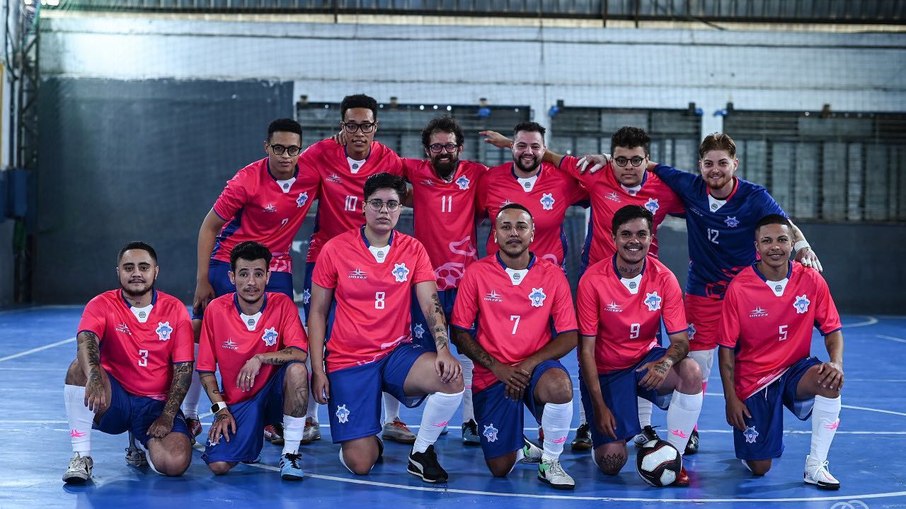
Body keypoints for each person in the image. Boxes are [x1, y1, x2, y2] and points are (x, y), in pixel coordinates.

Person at [579, 132, 823, 455]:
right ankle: (687, 433)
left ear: (735, 164)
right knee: (696, 362)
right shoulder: (690, 186)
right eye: (709, 164)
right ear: (700, 166)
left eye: (723, 163)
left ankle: (755, 420)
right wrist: (608, 161)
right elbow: (644, 165)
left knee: (749, 358)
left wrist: (803, 246)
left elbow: (784, 223)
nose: (715, 170)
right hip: (702, 290)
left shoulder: (754, 196)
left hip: (746, 293)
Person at [481, 126, 682, 450]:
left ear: (647, 160)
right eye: (620, 160)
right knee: (594, 351)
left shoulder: (664, 190)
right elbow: (555, 159)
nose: (628, 167)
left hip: (645, 283)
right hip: (598, 283)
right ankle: (588, 423)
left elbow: (700, 195)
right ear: (612, 160)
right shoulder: (596, 176)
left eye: (636, 161)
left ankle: (646, 427)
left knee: (645, 348)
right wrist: (511, 145)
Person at [308, 173, 464, 483]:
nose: (384, 210)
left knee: (451, 378)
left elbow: (431, 303)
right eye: (377, 203)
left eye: (392, 204)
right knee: (361, 464)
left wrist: (444, 349)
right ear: (363, 207)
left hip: (395, 353)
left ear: (400, 209)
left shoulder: (413, 249)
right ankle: (366, 433)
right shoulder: (335, 249)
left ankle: (421, 452)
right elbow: (317, 312)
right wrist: (318, 368)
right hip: (348, 359)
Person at [187, 118, 318, 445]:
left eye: (292, 149)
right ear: (266, 147)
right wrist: (203, 279)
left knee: (281, 344)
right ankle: (191, 413)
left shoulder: (311, 176)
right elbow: (208, 227)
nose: (285, 155)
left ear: (300, 150)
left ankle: (271, 417)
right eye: (278, 148)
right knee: (203, 335)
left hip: (277, 267)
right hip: (232, 263)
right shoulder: (245, 181)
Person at [299, 94, 410, 445]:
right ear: (341, 128)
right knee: (314, 328)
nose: (359, 133)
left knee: (389, 331)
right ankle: (307, 418)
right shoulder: (319, 154)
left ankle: (392, 419)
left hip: (373, 260)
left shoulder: (389, 160)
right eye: (351, 125)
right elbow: (288, 174)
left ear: (375, 128)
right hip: (325, 256)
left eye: (365, 126)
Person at [451, 204, 579, 489]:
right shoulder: (476, 274)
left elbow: (569, 335)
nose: (513, 233)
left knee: (560, 385)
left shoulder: (552, 275)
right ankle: (516, 444)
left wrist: (526, 365)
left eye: (521, 226)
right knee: (500, 469)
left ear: (532, 233)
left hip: (534, 370)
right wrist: (497, 368)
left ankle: (551, 461)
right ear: (494, 234)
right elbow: (460, 332)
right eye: (506, 227)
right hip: (492, 375)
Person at [576, 205, 702, 487]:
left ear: (651, 237)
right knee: (611, 463)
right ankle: (614, 433)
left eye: (642, 234)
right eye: (626, 234)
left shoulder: (664, 277)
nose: (634, 240)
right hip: (608, 369)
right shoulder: (592, 280)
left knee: (691, 371)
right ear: (613, 238)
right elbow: (585, 351)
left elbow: (681, 342)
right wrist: (599, 407)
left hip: (646, 362)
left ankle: (674, 457)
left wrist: (665, 362)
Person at [718, 214, 843, 490]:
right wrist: (731, 399)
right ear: (757, 247)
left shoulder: (811, 280)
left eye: (782, 240)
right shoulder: (739, 288)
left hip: (795, 368)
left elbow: (832, 329)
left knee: (830, 380)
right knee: (760, 468)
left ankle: (815, 465)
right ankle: (756, 448)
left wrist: (836, 363)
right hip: (754, 379)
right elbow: (726, 349)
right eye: (767, 241)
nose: (775, 246)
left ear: (792, 244)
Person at [63, 242, 194, 484]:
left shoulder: (174, 309)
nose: (136, 273)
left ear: (156, 271)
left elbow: (184, 369)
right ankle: (81, 456)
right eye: (128, 267)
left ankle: (141, 443)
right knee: (77, 369)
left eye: (143, 267)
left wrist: (168, 415)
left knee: (175, 464)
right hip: (115, 400)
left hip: (156, 405)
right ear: (118, 272)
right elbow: (86, 339)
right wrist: (93, 376)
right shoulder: (101, 304)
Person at [403, 116, 487, 445]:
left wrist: (511, 145)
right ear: (427, 150)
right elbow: (378, 160)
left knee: (469, 353)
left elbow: (522, 170)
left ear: (459, 148)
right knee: (420, 354)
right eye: (436, 146)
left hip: (466, 285)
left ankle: (471, 421)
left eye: (449, 145)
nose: (443, 151)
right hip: (426, 285)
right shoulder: (416, 172)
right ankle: (407, 422)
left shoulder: (477, 174)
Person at [196, 241, 310, 481]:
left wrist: (260, 358)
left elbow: (300, 352)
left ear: (268, 276)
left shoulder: (282, 304)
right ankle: (252, 436)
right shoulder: (216, 310)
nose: (251, 282)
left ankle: (290, 454)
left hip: (274, 394)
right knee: (218, 465)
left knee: (298, 371)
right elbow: (206, 371)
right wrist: (221, 410)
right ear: (231, 277)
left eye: (258, 274)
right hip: (240, 402)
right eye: (244, 274)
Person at [477, 122, 587, 268]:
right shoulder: (490, 179)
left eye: (535, 147)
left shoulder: (562, 180)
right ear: (512, 146)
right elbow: (476, 217)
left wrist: (607, 159)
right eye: (521, 146)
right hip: (500, 274)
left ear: (544, 150)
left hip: (549, 273)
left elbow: (598, 193)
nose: (528, 151)